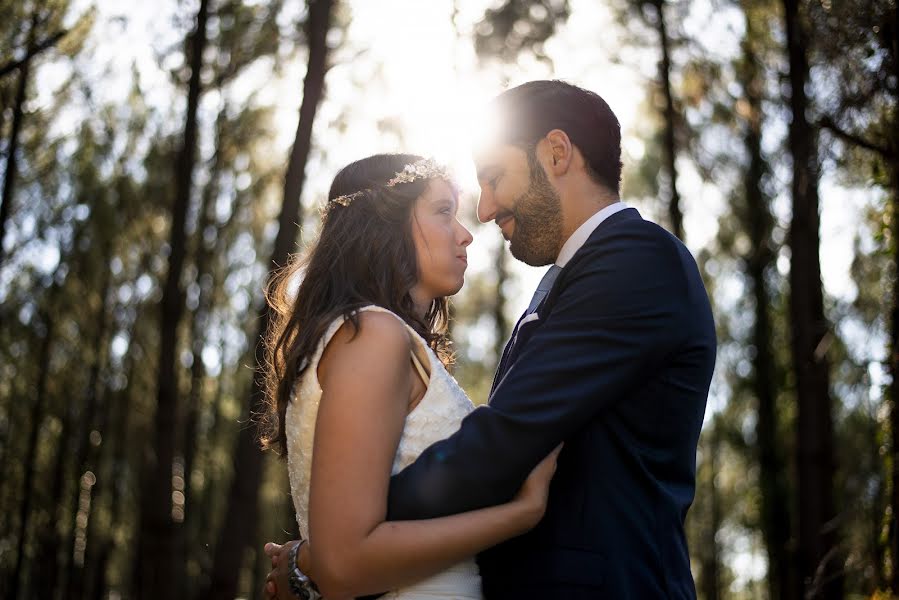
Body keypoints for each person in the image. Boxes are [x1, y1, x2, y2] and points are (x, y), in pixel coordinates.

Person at [266, 80, 716, 599]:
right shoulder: (566, 287)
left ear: (556, 153)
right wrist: (344, 543)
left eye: (495, 177)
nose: (482, 211)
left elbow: (506, 440)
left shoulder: (637, 260)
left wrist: (326, 550)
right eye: (447, 208)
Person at [258, 152, 562, 600]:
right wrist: (522, 512)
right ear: (384, 222)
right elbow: (344, 563)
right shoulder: (373, 335)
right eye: (443, 212)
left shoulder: (370, 337)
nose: (464, 235)